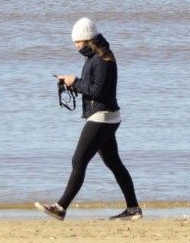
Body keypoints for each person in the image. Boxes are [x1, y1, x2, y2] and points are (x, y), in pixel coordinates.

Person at [35, 17, 142, 221]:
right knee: (114, 164)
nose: (76, 46)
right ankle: (133, 209)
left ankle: (60, 207)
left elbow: (99, 92)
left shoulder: (101, 59)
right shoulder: (96, 57)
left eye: (78, 42)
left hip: (102, 118)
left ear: (87, 39)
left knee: (78, 161)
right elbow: (95, 88)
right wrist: (74, 83)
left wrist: (75, 82)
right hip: (107, 117)